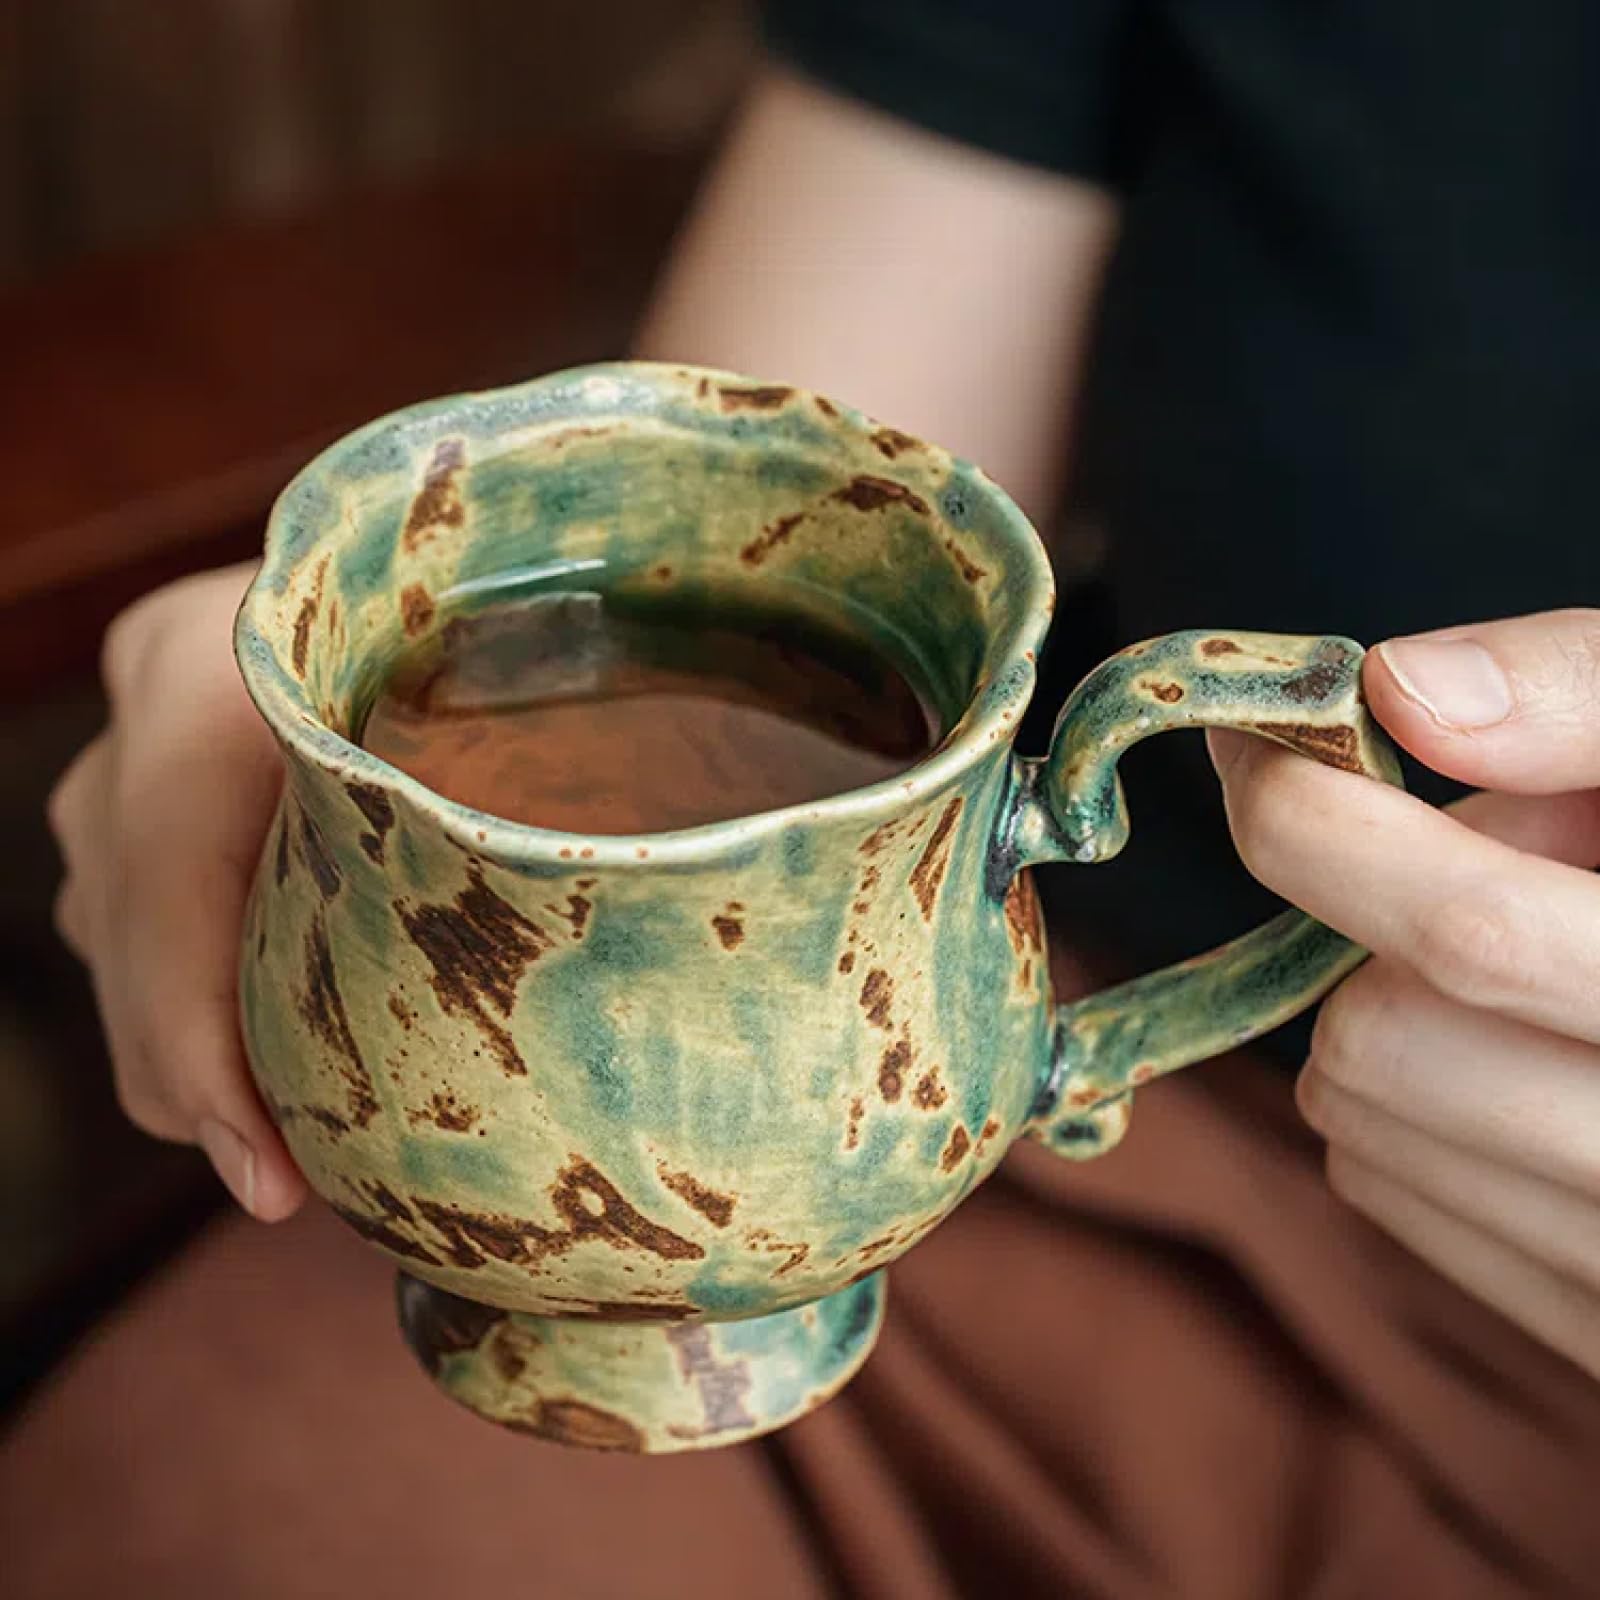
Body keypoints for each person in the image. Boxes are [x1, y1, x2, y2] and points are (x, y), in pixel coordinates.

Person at [15, 1, 1600, 1594]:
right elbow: (770, 473)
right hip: (1078, 1156)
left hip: (1466, 1379)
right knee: (180, 1509)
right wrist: (297, 650)